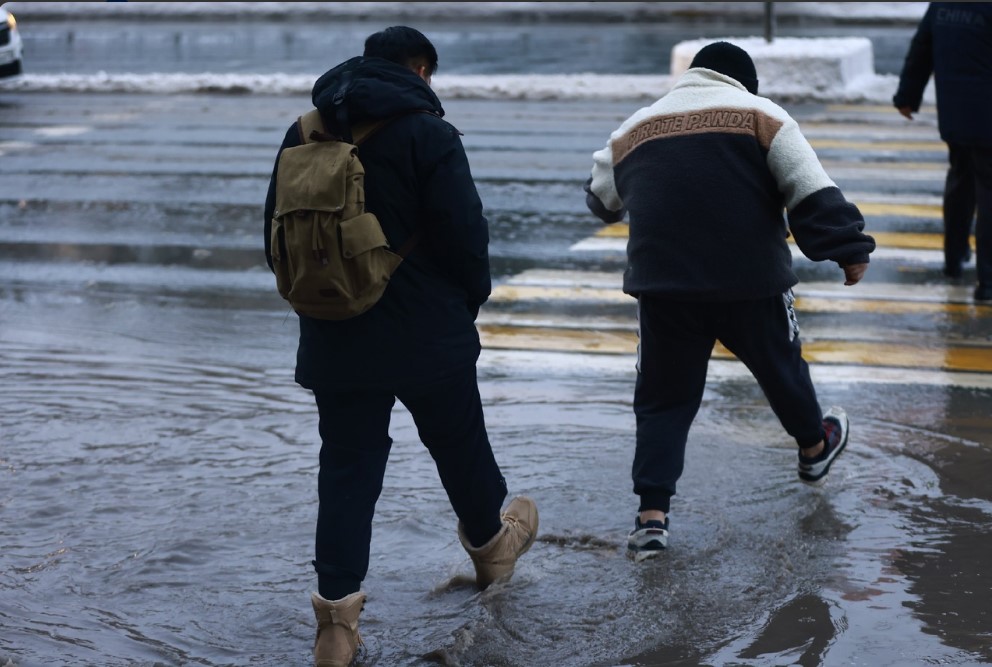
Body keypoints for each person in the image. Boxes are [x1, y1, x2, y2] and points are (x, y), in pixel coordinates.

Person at [263, 26, 538, 667]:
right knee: (459, 444)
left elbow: (275, 237)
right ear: (420, 71)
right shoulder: (429, 134)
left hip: (335, 332)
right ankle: (493, 550)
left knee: (347, 470)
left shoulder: (303, 132)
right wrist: (466, 305)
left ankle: (336, 623)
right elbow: (465, 235)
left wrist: (324, 306)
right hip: (425, 329)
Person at [584, 41, 876, 561]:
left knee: (663, 400)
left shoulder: (634, 128)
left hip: (665, 289)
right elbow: (809, 189)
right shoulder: (761, 115)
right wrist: (849, 250)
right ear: (743, 83)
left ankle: (651, 519)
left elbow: (600, 199)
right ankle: (815, 448)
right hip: (751, 283)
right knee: (782, 369)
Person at [893, 2, 992, 301]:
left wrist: (907, 96)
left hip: (955, 115)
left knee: (961, 180)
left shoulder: (942, 5)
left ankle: (954, 258)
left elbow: (921, 48)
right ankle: (988, 281)